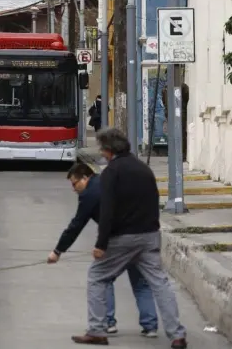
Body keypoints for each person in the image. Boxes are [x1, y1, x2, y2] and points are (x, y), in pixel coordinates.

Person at [71, 127, 187, 348]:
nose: (101, 152)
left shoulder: (111, 172)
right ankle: (177, 335)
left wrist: (101, 244)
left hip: (123, 238)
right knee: (160, 284)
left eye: (101, 147)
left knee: (97, 276)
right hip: (150, 235)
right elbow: (154, 202)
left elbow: (107, 211)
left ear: (108, 149)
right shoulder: (144, 169)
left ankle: (97, 329)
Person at [48, 163, 159, 337]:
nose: (73, 189)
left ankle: (107, 322)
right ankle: (150, 326)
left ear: (85, 178)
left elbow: (76, 225)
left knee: (101, 278)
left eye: (74, 183)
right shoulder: (109, 182)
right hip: (139, 235)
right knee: (141, 283)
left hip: (116, 240)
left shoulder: (90, 194)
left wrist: (58, 251)